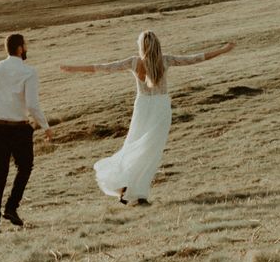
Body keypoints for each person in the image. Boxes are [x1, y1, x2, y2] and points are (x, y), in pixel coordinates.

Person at [60, 31, 234, 205]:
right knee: (151, 152)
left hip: (142, 107)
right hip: (160, 107)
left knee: (133, 145)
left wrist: (74, 68)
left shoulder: (134, 62)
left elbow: (103, 67)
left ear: (141, 46)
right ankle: (136, 192)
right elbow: (195, 58)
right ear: (157, 44)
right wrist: (223, 50)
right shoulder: (166, 60)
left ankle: (130, 189)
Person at [0, 32, 53, 233]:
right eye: (25, 46)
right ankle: (11, 207)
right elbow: (32, 104)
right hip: (19, 128)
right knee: (25, 167)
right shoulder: (29, 72)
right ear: (20, 48)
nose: (26, 49)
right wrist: (45, 126)